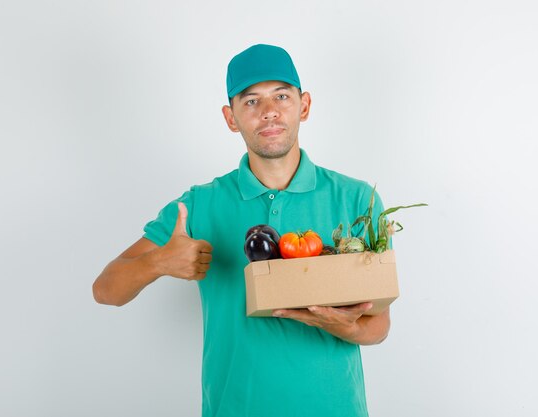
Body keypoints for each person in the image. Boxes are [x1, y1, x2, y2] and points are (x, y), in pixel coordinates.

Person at [93, 44, 390, 417]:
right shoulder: (199, 205)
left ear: (305, 106)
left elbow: (378, 325)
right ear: (230, 118)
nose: (269, 112)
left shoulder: (357, 200)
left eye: (282, 96)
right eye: (250, 101)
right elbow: (105, 290)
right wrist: (157, 262)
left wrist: (343, 325)